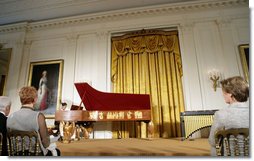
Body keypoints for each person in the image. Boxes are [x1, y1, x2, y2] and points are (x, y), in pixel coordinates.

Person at [7, 86, 60, 156]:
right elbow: (46, 143)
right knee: (57, 151)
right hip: (36, 155)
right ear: (35, 99)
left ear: (21, 100)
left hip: (16, 155)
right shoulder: (39, 116)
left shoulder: (10, 117)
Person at [208, 76, 249, 156]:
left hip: (231, 156)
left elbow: (212, 141)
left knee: (214, 148)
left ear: (230, 94)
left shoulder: (220, 114)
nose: (222, 95)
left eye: (224, 93)